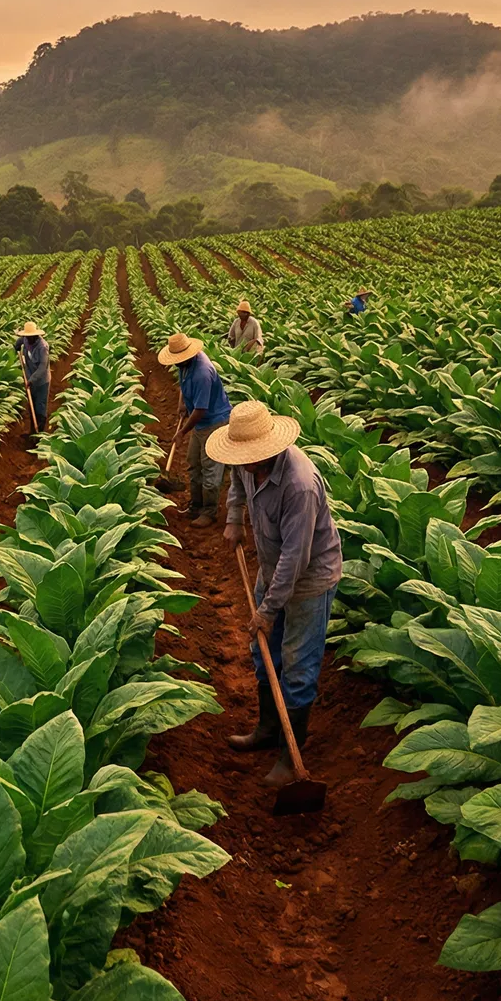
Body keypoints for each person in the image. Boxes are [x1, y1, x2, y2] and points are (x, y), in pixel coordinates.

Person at [210, 400, 343, 787]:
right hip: (274, 569)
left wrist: (267, 610)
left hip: (307, 580)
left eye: (249, 458)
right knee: (261, 650)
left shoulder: (300, 485)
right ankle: (268, 728)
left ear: (269, 449)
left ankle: (290, 759)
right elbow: (235, 481)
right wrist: (235, 519)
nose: (244, 464)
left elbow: (295, 559)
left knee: (298, 667)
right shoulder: (247, 463)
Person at [156, 332, 233, 527]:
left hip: (214, 422)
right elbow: (183, 386)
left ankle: (209, 511)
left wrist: (182, 432)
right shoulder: (185, 365)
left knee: (210, 467)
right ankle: (196, 506)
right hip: (200, 422)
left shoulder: (202, 372)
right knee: (193, 462)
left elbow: (200, 410)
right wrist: (182, 404)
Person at [14, 321, 51, 432]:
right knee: (32, 405)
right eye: (26, 336)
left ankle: (39, 433)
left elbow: (42, 367)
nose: (28, 339)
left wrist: (32, 380)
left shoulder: (42, 347)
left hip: (41, 381)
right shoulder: (25, 340)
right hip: (29, 378)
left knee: (40, 406)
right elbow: (20, 341)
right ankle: (32, 431)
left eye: (30, 337)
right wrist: (16, 346)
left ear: (36, 335)